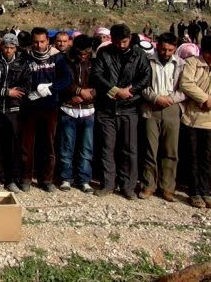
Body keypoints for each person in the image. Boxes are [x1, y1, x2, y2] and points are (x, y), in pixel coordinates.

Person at [91, 23, 152, 199]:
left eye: (125, 41)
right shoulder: (104, 53)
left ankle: (128, 186)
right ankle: (107, 184)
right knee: (106, 148)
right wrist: (115, 90)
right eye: (118, 42)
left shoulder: (139, 54)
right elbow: (97, 74)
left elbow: (146, 76)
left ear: (130, 39)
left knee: (129, 150)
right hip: (107, 108)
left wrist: (129, 91)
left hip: (129, 107)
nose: (122, 45)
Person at [21, 27, 72, 192]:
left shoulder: (57, 57)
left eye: (42, 41)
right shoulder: (25, 56)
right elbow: (19, 77)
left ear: (47, 41)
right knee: (27, 145)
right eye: (35, 41)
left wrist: (52, 87)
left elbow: (67, 78)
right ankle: (26, 178)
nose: (39, 45)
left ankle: (46, 179)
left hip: (50, 106)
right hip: (30, 106)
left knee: (48, 144)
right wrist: (29, 91)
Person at [139, 33, 185, 201]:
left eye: (170, 50)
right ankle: (148, 185)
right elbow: (142, 85)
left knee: (170, 149)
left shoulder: (181, 64)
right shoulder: (147, 61)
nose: (166, 53)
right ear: (158, 46)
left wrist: (170, 100)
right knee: (150, 149)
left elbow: (184, 88)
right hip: (151, 106)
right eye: (163, 49)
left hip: (172, 107)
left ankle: (167, 187)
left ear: (175, 49)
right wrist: (156, 98)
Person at [0, 33, 30, 193]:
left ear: (16, 47)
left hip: (13, 110)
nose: (8, 50)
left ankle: (11, 179)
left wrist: (16, 93)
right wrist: (5, 92)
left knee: (13, 145)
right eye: (6, 47)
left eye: (11, 47)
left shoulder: (23, 63)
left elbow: (26, 85)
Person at [59, 35, 96, 193]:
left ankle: (84, 179)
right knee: (67, 147)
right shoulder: (64, 61)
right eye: (80, 53)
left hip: (88, 109)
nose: (83, 56)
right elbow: (61, 81)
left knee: (86, 148)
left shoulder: (95, 62)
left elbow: (101, 82)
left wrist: (91, 93)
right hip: (68, 108)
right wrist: (77, 91)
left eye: (86, 53)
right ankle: (66, 178)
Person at [178, 35, 211, 208]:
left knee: (207, 158)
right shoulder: (192, 63)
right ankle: (195, 192)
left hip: (209, 121)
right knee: (192, 157)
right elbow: (186, 83)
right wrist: (205, 98)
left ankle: (206, 191)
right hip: (192, 118)